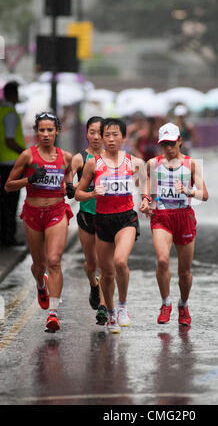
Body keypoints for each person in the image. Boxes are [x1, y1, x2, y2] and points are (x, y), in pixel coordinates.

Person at [75, 118, 150, 333]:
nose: (109, 139)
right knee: (106, 274)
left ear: (123, 137)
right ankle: (109, 313)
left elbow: (144, 184)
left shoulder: (135, 162)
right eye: (106, 134)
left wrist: (145, 199)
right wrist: (91, 193)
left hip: (126, 218)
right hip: (102, 220)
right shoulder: (93, 163)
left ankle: (123, 307)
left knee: (120, 262)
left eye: (115, 134)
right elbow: (78, 193)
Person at [4, 112, 74, 332]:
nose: (45, 134)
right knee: (39, 265)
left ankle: (53, 314)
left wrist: (70, 186)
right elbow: (8, 185)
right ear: (36, 132)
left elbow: (70, 176)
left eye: (49, 130)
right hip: (33, 214)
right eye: (41, 130)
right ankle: (41, 283)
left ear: (57, 131)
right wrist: (30, 179)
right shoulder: (28, 156)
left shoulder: (67, 157)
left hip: (56, 211)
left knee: (54, 260)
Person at [146, 122, 208, 327]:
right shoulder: (151, 164)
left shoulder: (191, 164)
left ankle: (183, 304)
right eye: (164, 144)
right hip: (162, 217)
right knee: (163, 260)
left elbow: (204, 195)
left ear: (180, 141)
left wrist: (189, 192)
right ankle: (166, 303)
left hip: (184, 218)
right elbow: (147, 191)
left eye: (172, 143)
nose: (168, 148)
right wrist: (146, 201)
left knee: (184, 271)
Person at [71, 116, 108, 325]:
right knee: (91, 263)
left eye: (99, 133)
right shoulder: (79, 159)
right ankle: (93, 286)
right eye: (92, 132)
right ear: (86, 133)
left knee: (104, 263)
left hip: (107, 216)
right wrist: (73, 188)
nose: (96, 137)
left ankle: (103, 306)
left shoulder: (112, 160)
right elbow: (68, 185)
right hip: (86, 214)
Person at [0, 81, 25, 246]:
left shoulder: (2, 110)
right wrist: (25, 153)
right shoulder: (9, 113)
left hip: (3, 163)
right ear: (13, 94)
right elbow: (9, 140)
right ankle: (8, 237)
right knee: (10, 202)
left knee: (3, 202)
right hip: (10, 164)